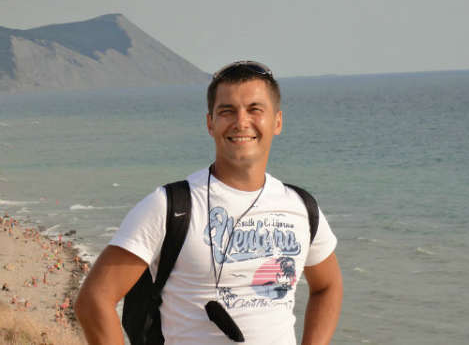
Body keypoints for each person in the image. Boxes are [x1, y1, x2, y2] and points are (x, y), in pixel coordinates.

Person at [75, 61, 343, 344]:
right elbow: (93, 301)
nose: (241, 122)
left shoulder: (300, 207)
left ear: (277, 121)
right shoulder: (170, 206)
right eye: (227, 111)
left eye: (254, 109)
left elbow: (328, 285)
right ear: (210, 124)